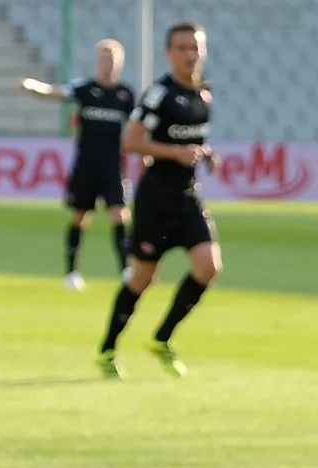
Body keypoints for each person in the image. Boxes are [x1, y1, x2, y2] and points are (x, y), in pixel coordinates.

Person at [94, 21, 220, 380]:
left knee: (208, 267)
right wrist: (175, 153)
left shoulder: (204, 93)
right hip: (156, 200)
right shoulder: (159, 94)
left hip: (188, 196)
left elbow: (192, 139)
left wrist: (204, 153)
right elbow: (131, 142)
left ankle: (162, 338)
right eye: (181, 48)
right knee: (143, 278)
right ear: (169, 53)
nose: (189, 54)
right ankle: (107, 347)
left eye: (195, 47)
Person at [21, 40, 136, 292]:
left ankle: (126, 270)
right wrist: (33, 87)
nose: (109, 64)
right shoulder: (85, 88)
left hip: (113, 166)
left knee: (119, 214)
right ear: (98, 61)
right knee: (80, 217)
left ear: (121, 63)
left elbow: (139, 127)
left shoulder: (126, 95)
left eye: (114, 59)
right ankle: (72, 272)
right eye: (105, 59)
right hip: (86, 165)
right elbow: (55, 91)